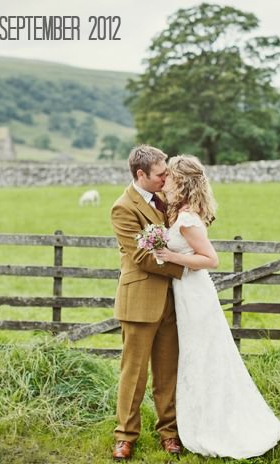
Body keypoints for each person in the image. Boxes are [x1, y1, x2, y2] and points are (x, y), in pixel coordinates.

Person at [153, 155, 280, 459]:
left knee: (204, 356)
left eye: (168, 176)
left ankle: (216, 425)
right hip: (184, 294)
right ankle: (196, 418)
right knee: (195, 357)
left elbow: (210, 260)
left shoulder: (189, 219)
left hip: (195, 296)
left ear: (180, 182)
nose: (164, 180)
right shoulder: (178, 212)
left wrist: (171, 256)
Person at [110, 145, 185, 461]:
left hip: (172, 300)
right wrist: (187, 265)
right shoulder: (123, 208)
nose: (166, 178)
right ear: (141, 174)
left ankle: (169, 433)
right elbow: (141, 256)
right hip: (140, 300)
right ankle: (125, 436)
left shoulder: (167, 197)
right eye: (161, 174)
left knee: (168, 372)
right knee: (134, 373)